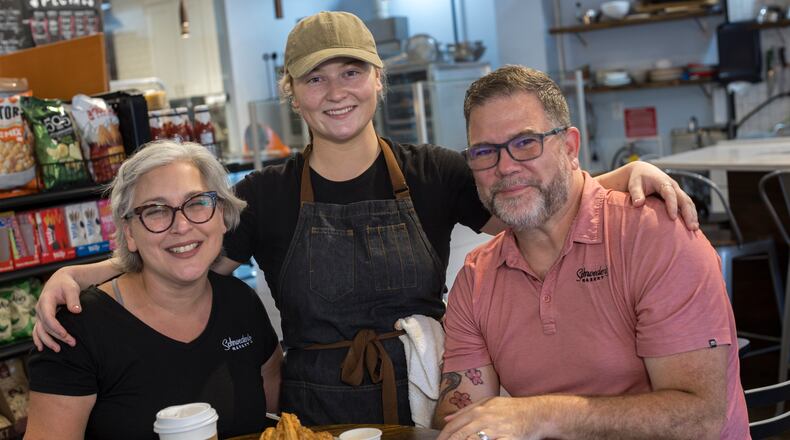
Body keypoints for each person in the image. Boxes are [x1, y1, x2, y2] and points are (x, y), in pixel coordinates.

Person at [31, 11, 698, 426]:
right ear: (292, 95)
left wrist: (617, 179)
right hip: (312, 415)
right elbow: (182, 254)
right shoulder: (266, 194)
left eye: (351, 72)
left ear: (378, 80)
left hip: (425, 399)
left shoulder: (433, 172)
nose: (336, 92)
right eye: (315, 80)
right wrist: (87, 274)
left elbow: (526, 195)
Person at [433, 65, 748, 439]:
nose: (505, 167)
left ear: (570, 147)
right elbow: (460, 417)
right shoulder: (477, 278)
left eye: (525, 143)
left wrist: (540, 415)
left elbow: (701, 418)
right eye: (486, 152)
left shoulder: (655, 235)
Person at [25, 141, 283, 440]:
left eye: (197, 202)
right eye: (156, 210)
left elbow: (273, 411)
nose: (182, 225)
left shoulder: (241, 303)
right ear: (129, 233)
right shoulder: (77, 328)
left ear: (221, 216)